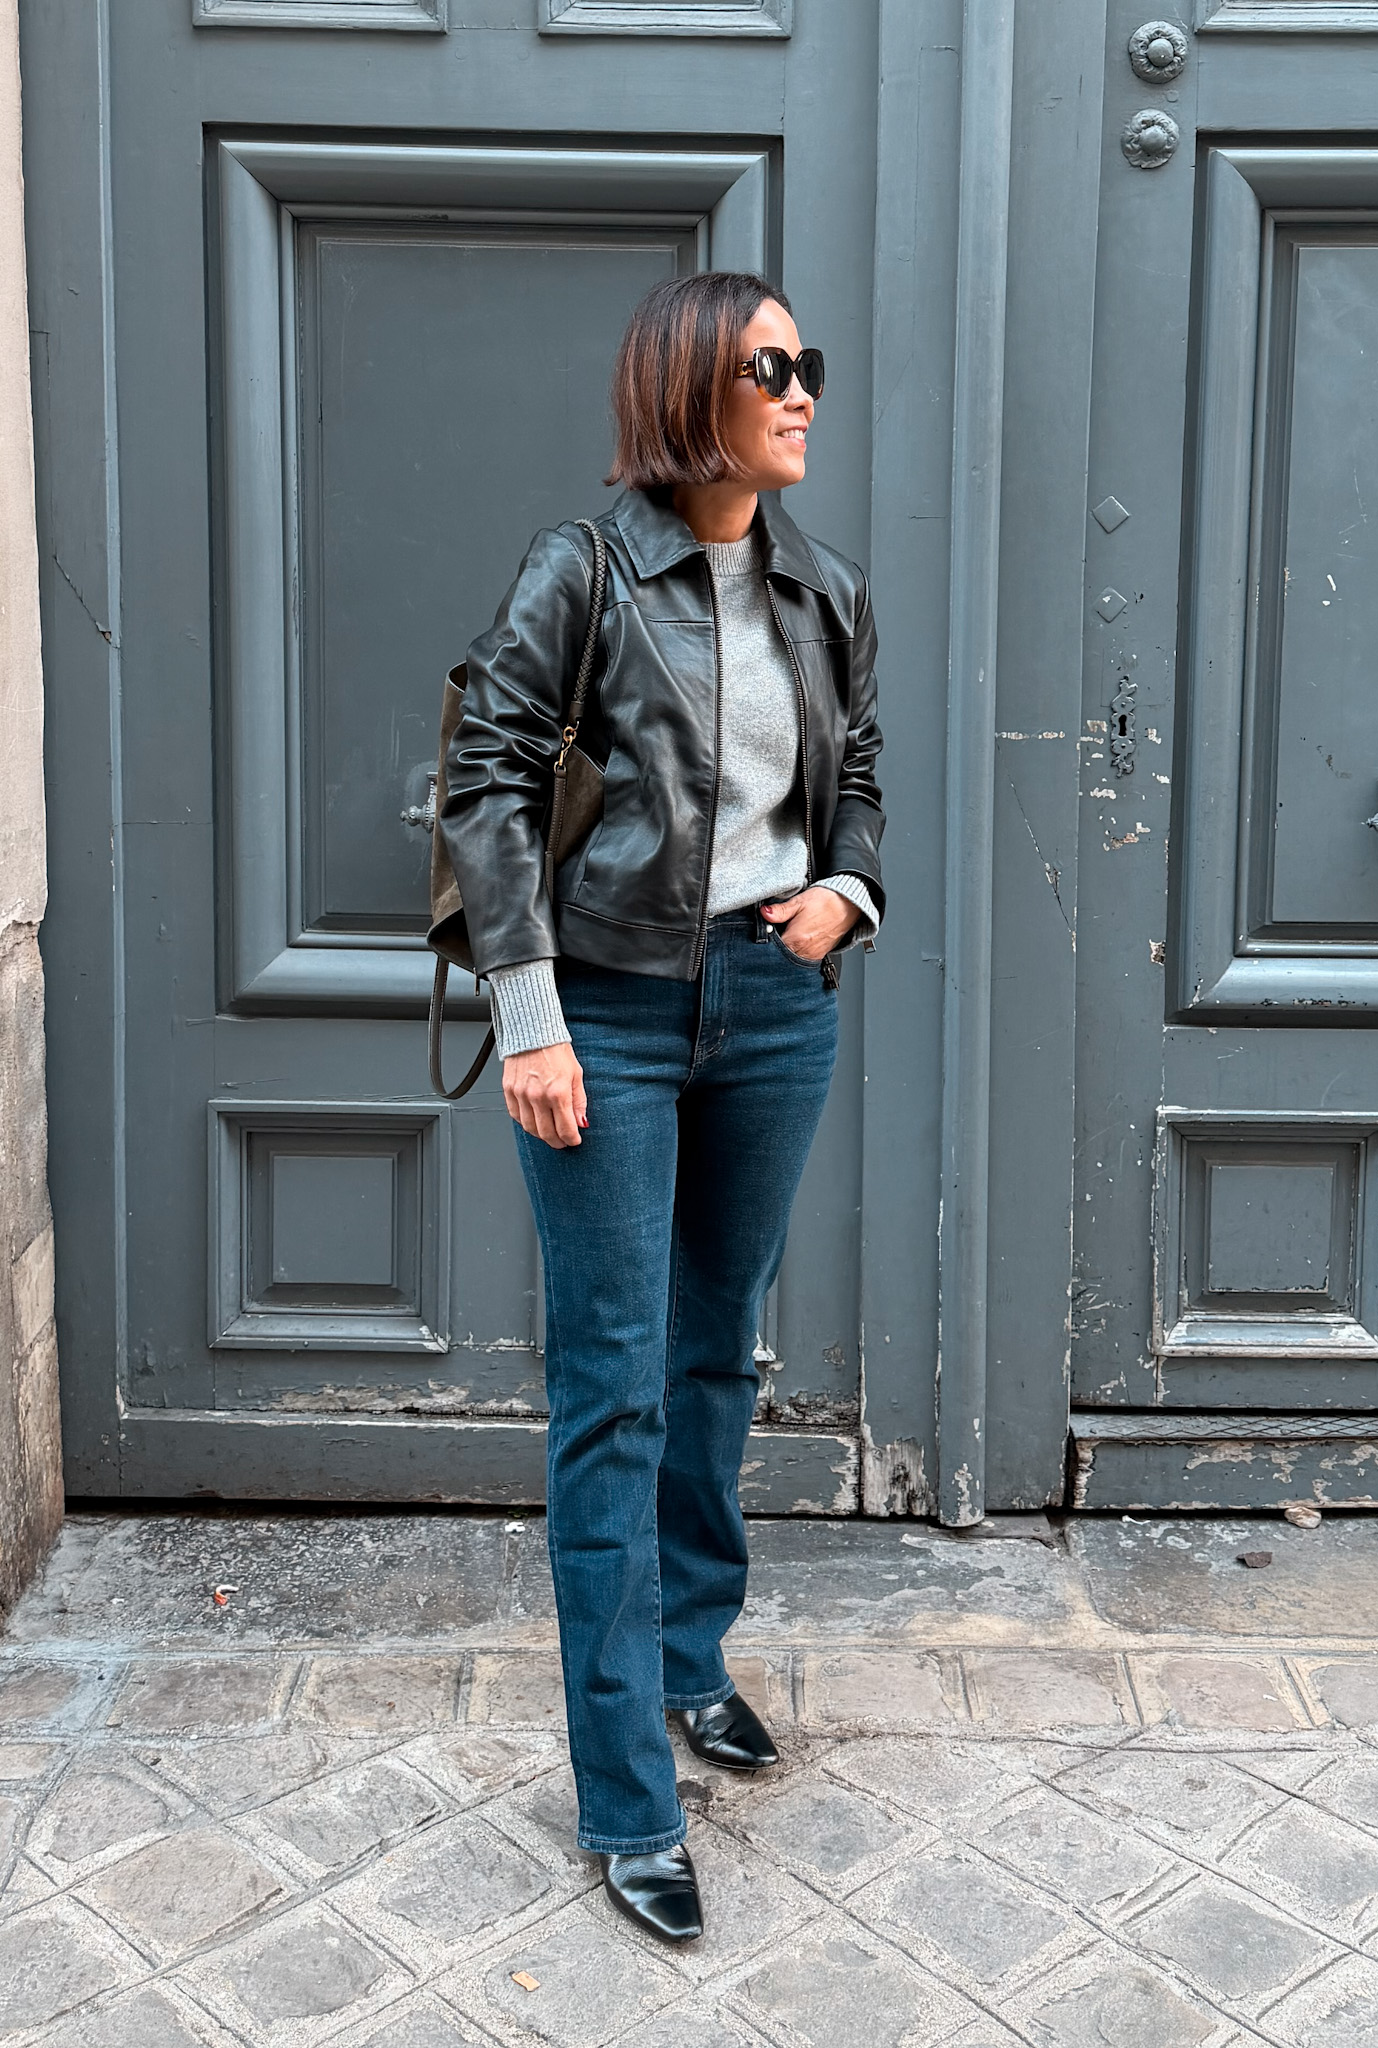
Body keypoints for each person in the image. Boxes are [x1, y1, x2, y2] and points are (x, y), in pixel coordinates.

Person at [439, 271, 884, 1943]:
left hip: (773, 1007)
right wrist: (532, 1020)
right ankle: (627, 1794)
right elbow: (486, 784)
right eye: (773, 366)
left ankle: (693, 1658)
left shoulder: (825, 590)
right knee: (612, 1389)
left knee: (715, 1357)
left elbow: (860, 773)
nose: (803, 390)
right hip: (606, 1018)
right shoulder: (583, 568)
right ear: (692, 387)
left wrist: (849, 894)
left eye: (806, 362)